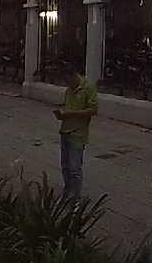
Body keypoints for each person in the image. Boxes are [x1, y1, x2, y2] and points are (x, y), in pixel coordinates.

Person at [54, 61, 98, 200]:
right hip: (65, 130)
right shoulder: (69, 90)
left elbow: (93, 110)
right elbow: (68, 107)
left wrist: (72, 113)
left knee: (74, 168)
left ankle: (76, 197)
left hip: (78, 133)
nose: (67, 84)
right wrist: (62, 113)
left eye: (68, 81)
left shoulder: (88, 88)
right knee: (65, 166)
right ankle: (67, 191)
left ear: (74, 75)